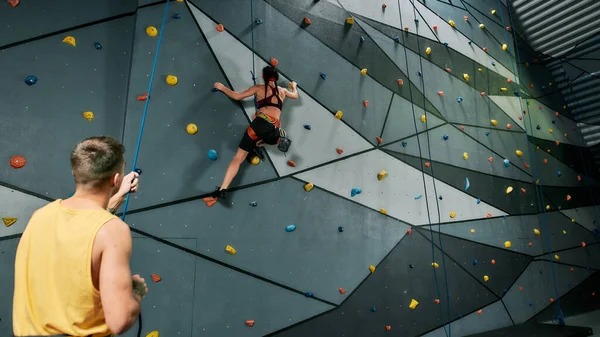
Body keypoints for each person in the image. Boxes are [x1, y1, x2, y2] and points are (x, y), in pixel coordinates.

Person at [12, 136, 148, 337]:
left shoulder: (41, 216)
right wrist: (134, 293)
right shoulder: (113, 231)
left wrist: (117, 196)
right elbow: (119, 321)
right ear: (116, 179)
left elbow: (83, 229)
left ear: (75, 172)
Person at [203, 65, 298, 207]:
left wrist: (221, 87)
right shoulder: (283, 91)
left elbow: (237, 96)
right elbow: (295, 95)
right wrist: (294, 86)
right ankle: (259, 144)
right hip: (272, 132)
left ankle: (222, 190)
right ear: (276, 79)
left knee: (238, 158)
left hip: (258, 125)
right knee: (277, 136)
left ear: (264, 77)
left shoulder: (258, 88)